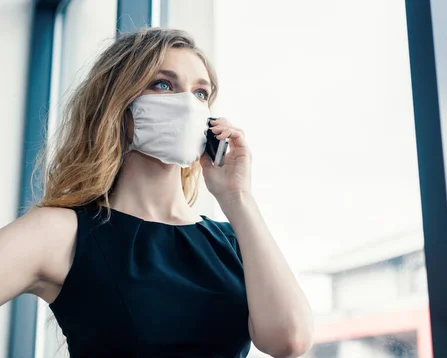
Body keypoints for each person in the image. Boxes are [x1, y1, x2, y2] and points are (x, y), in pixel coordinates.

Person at [0, 28, 313, 357]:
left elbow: (289, 340)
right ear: (118, 102)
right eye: (163, 84)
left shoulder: (231, 242)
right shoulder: (61, 232)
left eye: (201, 93)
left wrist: (238, 199)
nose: (188, 105)